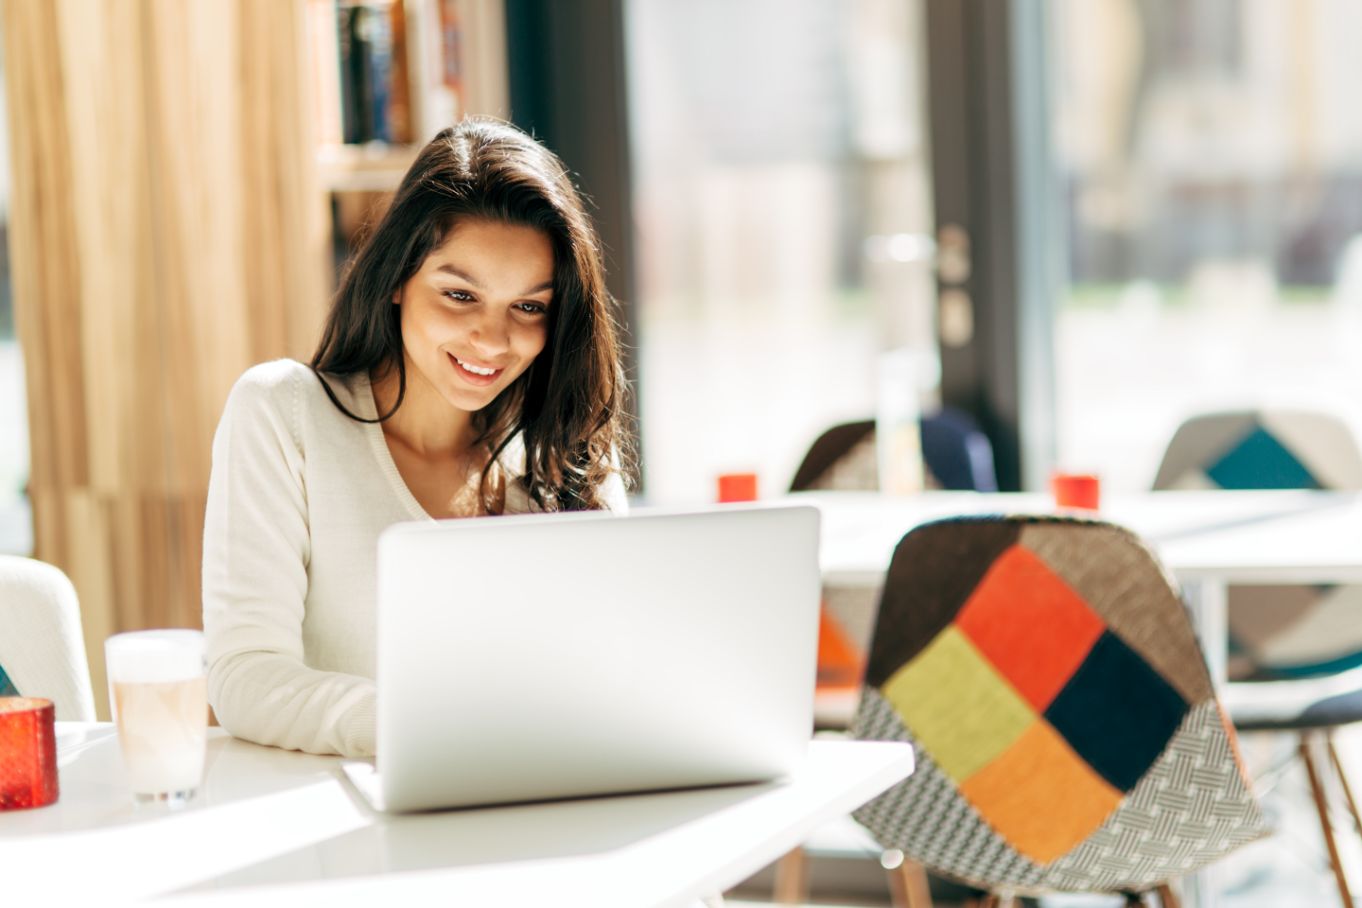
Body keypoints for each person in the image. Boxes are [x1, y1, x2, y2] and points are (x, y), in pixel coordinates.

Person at [202, 118, 633, 758]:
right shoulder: (285, 414)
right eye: (460, 295)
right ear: (398, 279)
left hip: (537, 808)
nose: (492, 339)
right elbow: (245, 677)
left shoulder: (563, 454)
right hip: (349, 827)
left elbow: (611, 676)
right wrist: (429, 729)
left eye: (530, 306)